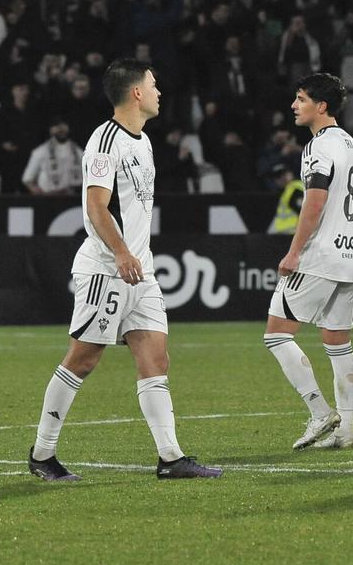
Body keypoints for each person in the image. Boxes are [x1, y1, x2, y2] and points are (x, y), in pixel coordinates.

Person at [27, 58, 222, 481]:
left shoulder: (143, 142)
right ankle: (42, 454)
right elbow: (96, 206)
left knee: (156, 358)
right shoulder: (104, 140)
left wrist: (134, 257)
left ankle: (170, 458)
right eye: (153, 84)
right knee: (83, 358)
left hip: (141, 271)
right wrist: (119, 253)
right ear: (136, 93)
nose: (158, 91)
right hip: (107, 268)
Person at [262, 73, 353, 451]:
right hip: (347, 258)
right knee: (337, 340)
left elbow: (315, 200)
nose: (294, 106)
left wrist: (294, 252)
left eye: (301, 99)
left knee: (277, 334)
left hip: (320, 256)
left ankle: (320, 411)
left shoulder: (319, 147)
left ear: (321, 106)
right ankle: (346, 431)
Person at [22, 117, 83, 195]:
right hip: (49, 198)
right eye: (57, 126)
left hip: (71, 198)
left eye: (64, 125)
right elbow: (27, 179)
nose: (61, 129)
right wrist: (40, 195)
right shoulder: (41, 151)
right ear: (50, 129)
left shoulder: (78, 151)